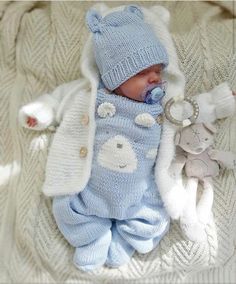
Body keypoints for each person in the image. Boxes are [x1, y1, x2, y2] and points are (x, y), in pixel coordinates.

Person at [18, 5, 236, 271]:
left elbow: (193, 108)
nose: (155, 77)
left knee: (154, 217)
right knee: (67, 207)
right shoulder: (91, 96)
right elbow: (59, 100)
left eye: (157, 70)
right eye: (143, 73)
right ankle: (91, 239)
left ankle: (126, 239)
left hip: (141, 192)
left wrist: (219, 101)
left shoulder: (165, 106)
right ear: (115, 78)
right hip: (90, 187)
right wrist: (41, 113)